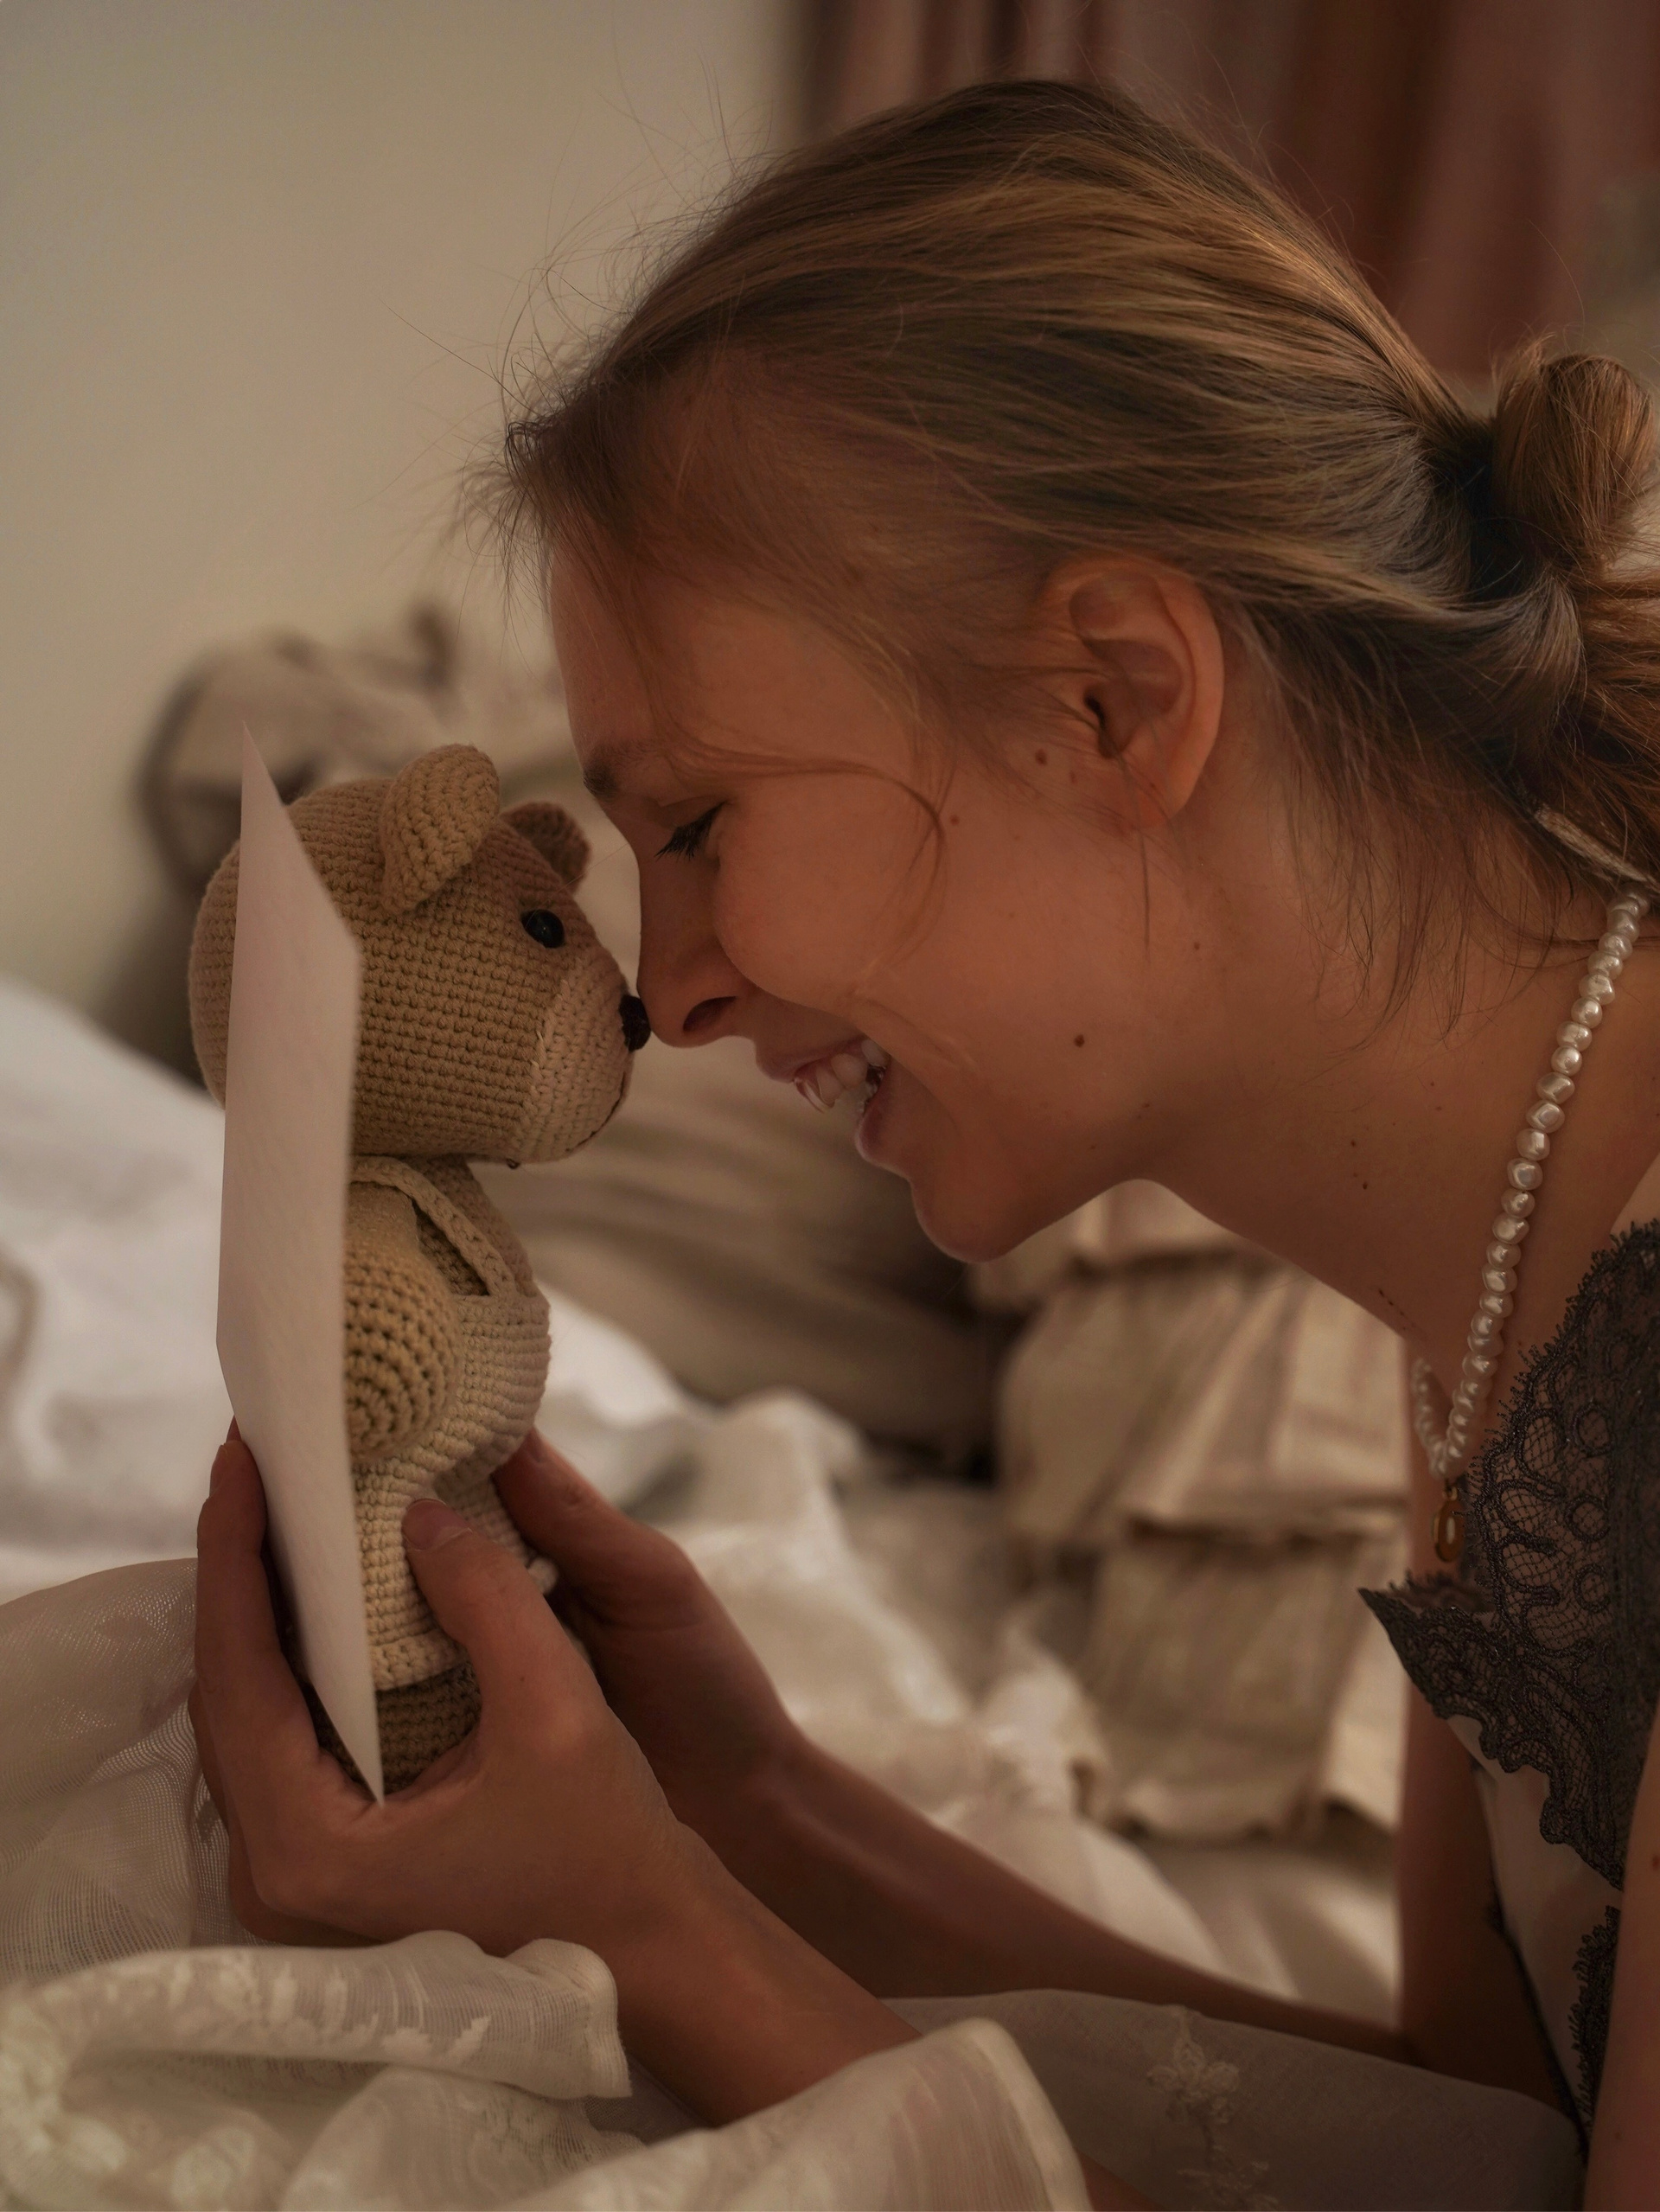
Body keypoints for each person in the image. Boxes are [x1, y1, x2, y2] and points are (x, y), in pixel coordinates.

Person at [190, 80, 1660, 2208]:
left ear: (1117, 697)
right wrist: (752, 1813)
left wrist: (643, 1930)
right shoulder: (1511, 1267)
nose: (675, 993)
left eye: (701, 822)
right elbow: (1481, 2140)